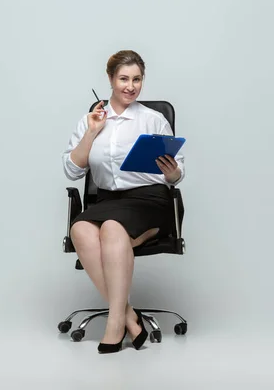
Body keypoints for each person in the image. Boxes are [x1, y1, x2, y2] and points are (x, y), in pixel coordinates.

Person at [61, 50, 185, 353]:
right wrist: (92, 133)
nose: (131, 86)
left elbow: (177, 174)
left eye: (137, 79)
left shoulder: (153, 119)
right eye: (124, 79)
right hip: (108, 201)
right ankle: (130, 317)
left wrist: (172, 172)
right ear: (110, 80)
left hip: (150, 201)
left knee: (113, 229)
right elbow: (72, 169)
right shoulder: (91, 120)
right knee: (81, 230)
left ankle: (115, 325)